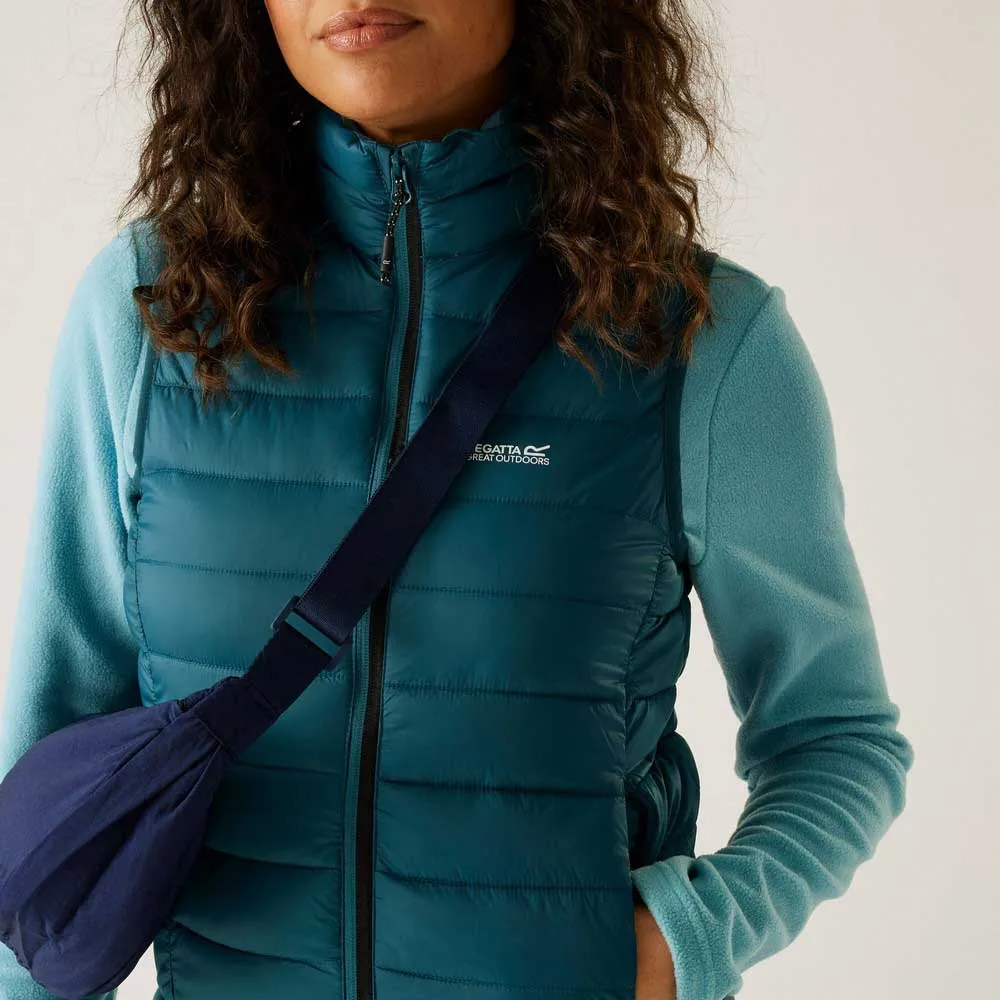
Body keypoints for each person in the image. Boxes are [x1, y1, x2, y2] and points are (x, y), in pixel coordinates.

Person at [0, 1, 915, 999]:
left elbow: (835, 737)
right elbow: (47, 795)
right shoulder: (153, 312)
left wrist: (686, 938)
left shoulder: (695, 338)